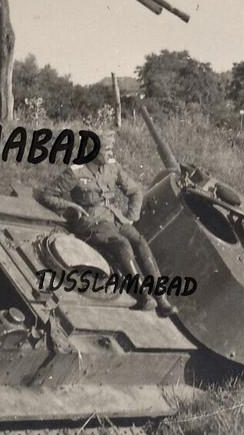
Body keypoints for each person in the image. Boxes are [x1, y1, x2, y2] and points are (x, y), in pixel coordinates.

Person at [35, 131, 175, 315]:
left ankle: (162, 299)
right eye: (107, 150)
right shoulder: (75, 172)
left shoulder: (112, 167)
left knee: (140, 242)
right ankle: (144, 295)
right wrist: (70, 206)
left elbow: (135, 191)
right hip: (92, 222)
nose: (111, 154)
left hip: (115, 217)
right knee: (122, 244)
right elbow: (47, 195)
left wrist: (131, 216)